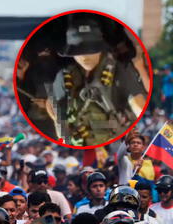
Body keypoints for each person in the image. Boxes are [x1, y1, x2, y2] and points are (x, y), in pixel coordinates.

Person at [51, 17, 146, 146]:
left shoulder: (119, 71)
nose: (85, 57)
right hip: (81, 141)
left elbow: (137, 102)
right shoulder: (64, 76)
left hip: (115, 140)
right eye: (79, 52)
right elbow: (57, 113)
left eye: (90, 50)